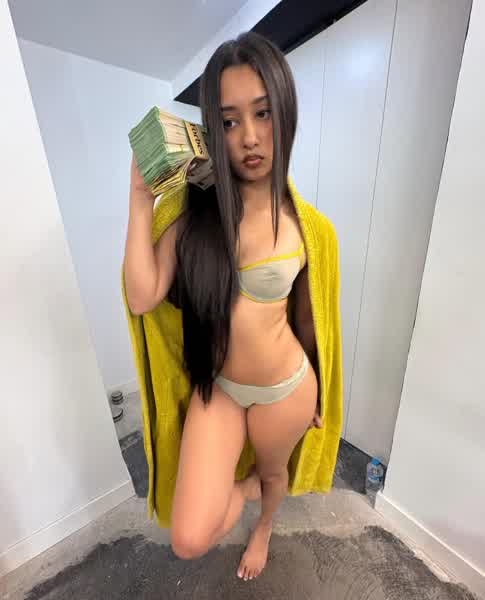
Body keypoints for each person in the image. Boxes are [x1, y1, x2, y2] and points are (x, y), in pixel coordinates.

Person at [123, 31, 342, 582]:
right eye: (228, 121)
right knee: (189, 538)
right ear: (211, 129)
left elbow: (310, 318)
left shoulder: (309, 228)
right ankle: (247, 491)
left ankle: (264, 523)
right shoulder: (194, 214)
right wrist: (141, 198)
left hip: (285, 388)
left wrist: (320, 387)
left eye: (263, 113)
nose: (249, 136)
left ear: (285, 112)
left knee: (273, 477)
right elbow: (143, 295)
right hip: (219, 386)